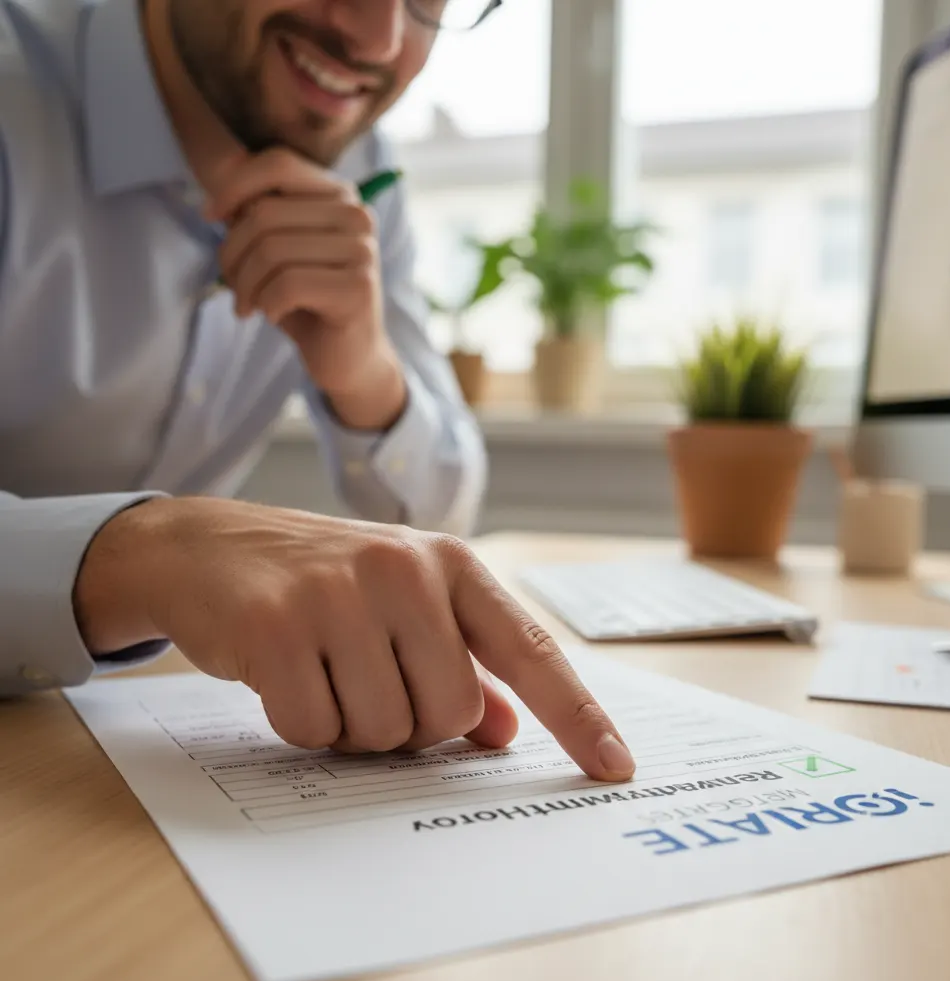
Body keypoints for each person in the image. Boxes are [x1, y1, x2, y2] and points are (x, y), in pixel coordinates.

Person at [0, 0, 636, 783]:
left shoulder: (355, 153)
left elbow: (438, 521)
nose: (380, 38)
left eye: (431, 3)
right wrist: (144, 559)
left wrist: (363, 371)